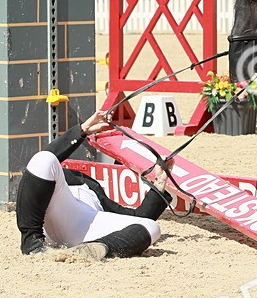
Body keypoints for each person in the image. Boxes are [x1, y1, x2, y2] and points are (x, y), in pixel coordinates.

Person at [15, 108, 173, 259]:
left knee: (152, 227)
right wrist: (83, 129)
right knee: (44, 159)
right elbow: (48, 157)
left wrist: (160, 180)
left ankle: (96, 249)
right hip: (54, 214)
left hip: (87, 226)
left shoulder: (99, 194)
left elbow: (138, 216)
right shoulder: (60, 178)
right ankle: (31, 242)